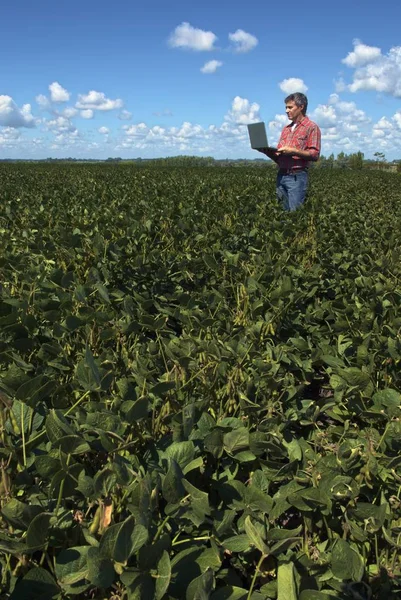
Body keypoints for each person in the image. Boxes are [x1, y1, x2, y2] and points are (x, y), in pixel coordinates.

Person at [258, 93, 321, 211]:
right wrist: (267, 152)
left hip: (297, 177)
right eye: (286, 108)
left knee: (295, 216)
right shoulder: (286, 129)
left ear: (301, 107)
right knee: (281, 214)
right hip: (281, 175)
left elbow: (315, 154)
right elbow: (279, 158)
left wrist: (294, 151)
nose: (287, 111)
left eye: (290, 107)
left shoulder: (311, 127)